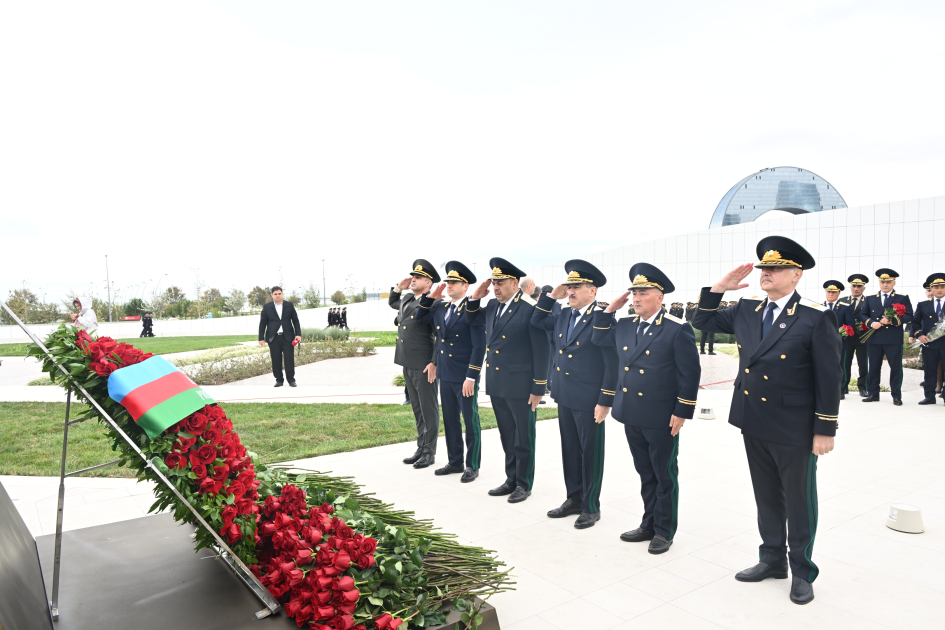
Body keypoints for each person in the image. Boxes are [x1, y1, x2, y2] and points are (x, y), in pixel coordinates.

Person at [693, 236, 841, 605]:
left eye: (775, 269)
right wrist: (719, 288)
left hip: (795, 426)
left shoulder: (814, 316)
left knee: (798, 501)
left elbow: (829, 376)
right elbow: (702, 320)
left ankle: (802, 571)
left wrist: (825, 428)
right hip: (754, 419)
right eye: (763, 268)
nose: (766, 273)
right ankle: (772, 560)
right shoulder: (748, 310)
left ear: (796, 274)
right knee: (766, 497)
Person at [592, 263, 700, 553]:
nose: (636, 298)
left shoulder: (677, 329)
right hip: (631, 411)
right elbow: (599, 338)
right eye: (634, 293)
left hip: (661, 414)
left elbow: (690, 374)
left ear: (660, 297)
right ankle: (648, 523)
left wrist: (682, 411)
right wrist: (609, 310)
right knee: (645, 471)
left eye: (643, 292)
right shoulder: (625, 324)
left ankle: (664, 530)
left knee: (664, 474)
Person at [531, 260, 617, 530]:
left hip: (590, 398)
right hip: (565, 394)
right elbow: (536, 320)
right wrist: (550, 296)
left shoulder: (602, 319)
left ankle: (591, 506)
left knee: (590, 453)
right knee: (570, 450)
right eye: (569, 287)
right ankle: (574, 498)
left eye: (576, 287)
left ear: (592, 291)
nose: (570, 292)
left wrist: (605, 400)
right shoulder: (563, 314)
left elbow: (611, 362)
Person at [466, 258, 550, 503]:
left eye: (500, 282)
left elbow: (542, 351)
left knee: (524, 437)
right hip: (498, 382)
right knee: (507, 434)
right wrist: (474, 298)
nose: (495, 287)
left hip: (522, 385)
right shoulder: (492, 306)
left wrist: (539, 388)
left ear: (515, 283)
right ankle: (511, 478)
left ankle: (524, 483)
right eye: (493, 283)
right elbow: (472, 320)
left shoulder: (529, 308)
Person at [415, 261, 486, 482]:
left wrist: (471, 376)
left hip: (464, 376)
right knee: (450, 419)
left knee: (470, 420)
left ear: (466, 286)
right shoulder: (441, 308)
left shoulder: (473, 310)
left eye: (454, 282)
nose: (449, 285)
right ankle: (455, 461)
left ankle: (472, 465)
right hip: (445, 374)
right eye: (447, 282)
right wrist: (431, 296)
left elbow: (478, 346)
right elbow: (419, 317)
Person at [389, 259, 442, 469]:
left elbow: (440, 337)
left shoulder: (434, 303)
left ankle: (429, 452)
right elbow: (394, 302)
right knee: (418, 409)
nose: (413, 280)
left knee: (429, 410)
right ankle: (421, 447)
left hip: (424, 363)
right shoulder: (408, 298)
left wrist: (434, 363)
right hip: (407, 361)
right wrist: (397, 288)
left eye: (418, 277)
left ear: (428, 283)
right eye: (413, 276)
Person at [859, 268, 913, 405]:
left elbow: (909, 316)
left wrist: (892, 321)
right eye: (882, 282)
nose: (885, 285)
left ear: (894, 283)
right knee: (874, 367)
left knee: (895, 368)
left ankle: (896, 395)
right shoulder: (870, 298)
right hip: (874, 338)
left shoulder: (901, 298)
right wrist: (871, 323)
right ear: (879, 283)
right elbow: (863, 314)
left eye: (888, 282)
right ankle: (873, 394)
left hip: (893, 339)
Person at [258, 287, 302, 387]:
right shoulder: (266, 307)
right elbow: (262, 323)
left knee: (289, 359)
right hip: (273, 338)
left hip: (288, 337)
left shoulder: (289, 305)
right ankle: (279, 380)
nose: (278, 295)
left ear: (282, 294)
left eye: (279, 293)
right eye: (275, 294)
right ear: (272, 295)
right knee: (276, 359)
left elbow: (295, 320)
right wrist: (261, 338)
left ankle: (291, 380)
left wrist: (298, 334)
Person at [912, 273, 945, 405]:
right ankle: (929, 396)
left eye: (942, 286)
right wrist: (919, 335)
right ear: (931, 289)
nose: (939, 289)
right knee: (929, 371)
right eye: (936, 287)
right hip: (929, 344)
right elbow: (915, 323)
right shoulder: (923, 305)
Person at [838, 274, 870, 397]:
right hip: (846, 338)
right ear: (850, 287)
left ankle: (862, 387)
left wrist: (866, 326)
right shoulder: (842, 301)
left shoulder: (868, 301)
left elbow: (871, 317)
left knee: (862, 364)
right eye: (854, 286)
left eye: (859, 286)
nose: (856, 288)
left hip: (863, 337)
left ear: (864, 288)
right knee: (845, 363)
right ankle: (844, 387)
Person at [822, 281, 853, 400]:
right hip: (822, 344)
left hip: (839, 343)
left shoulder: (845, 307)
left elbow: (850, 325)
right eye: (829, 291)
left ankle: (840, 390)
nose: (831, 294)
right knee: (823, 367)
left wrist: (842, 334)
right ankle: (825, 389)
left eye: (834, 292)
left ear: (839, 293)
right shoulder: (819, 307)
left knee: (839, 367)